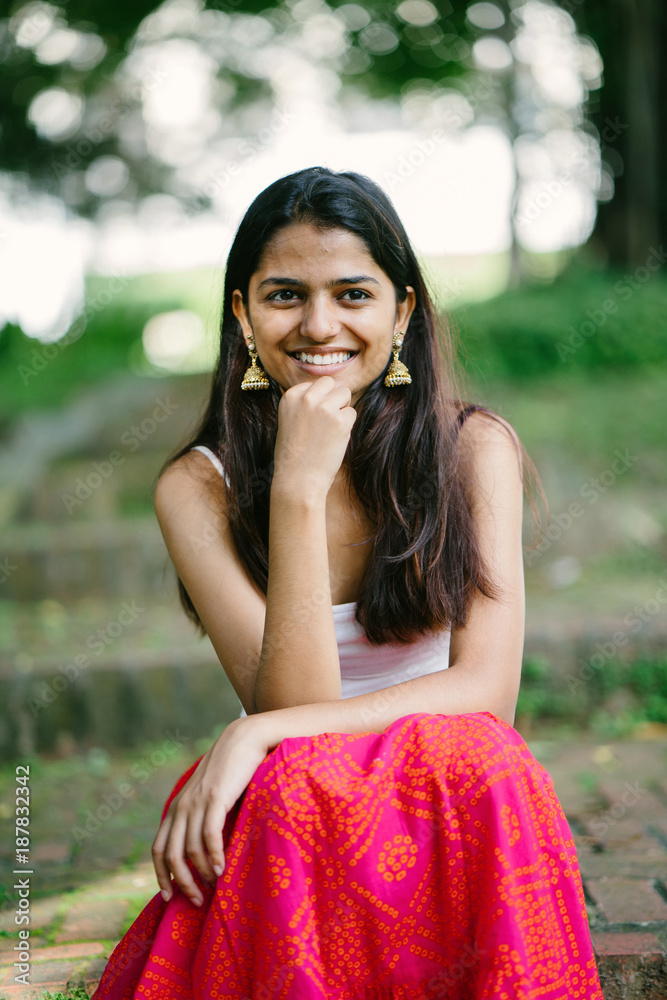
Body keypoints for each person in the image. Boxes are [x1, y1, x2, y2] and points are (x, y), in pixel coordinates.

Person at [91, 167, 603, 999]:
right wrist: (294, 489)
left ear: (401, 311)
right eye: (284, 295)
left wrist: (249, 734)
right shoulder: (197, 487)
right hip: (299, 803)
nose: (318, 325)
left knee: (483, 753)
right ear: (241, 312)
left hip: (448, 784)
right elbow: (291, 713)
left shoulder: (472, 450)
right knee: (296, 777)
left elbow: (486, 696)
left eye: (353, 295)